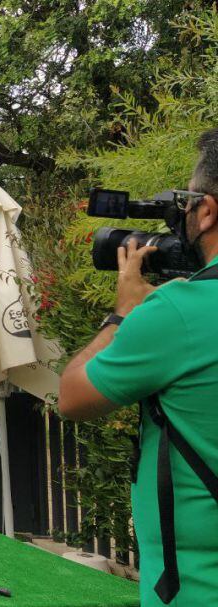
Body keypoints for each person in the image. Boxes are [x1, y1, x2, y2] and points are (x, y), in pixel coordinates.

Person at [58, 129, 218, 606]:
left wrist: (123, 315)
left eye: (188, 201)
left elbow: (72, 396)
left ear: (207, 210)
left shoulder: (177, 312)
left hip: (196, 585)